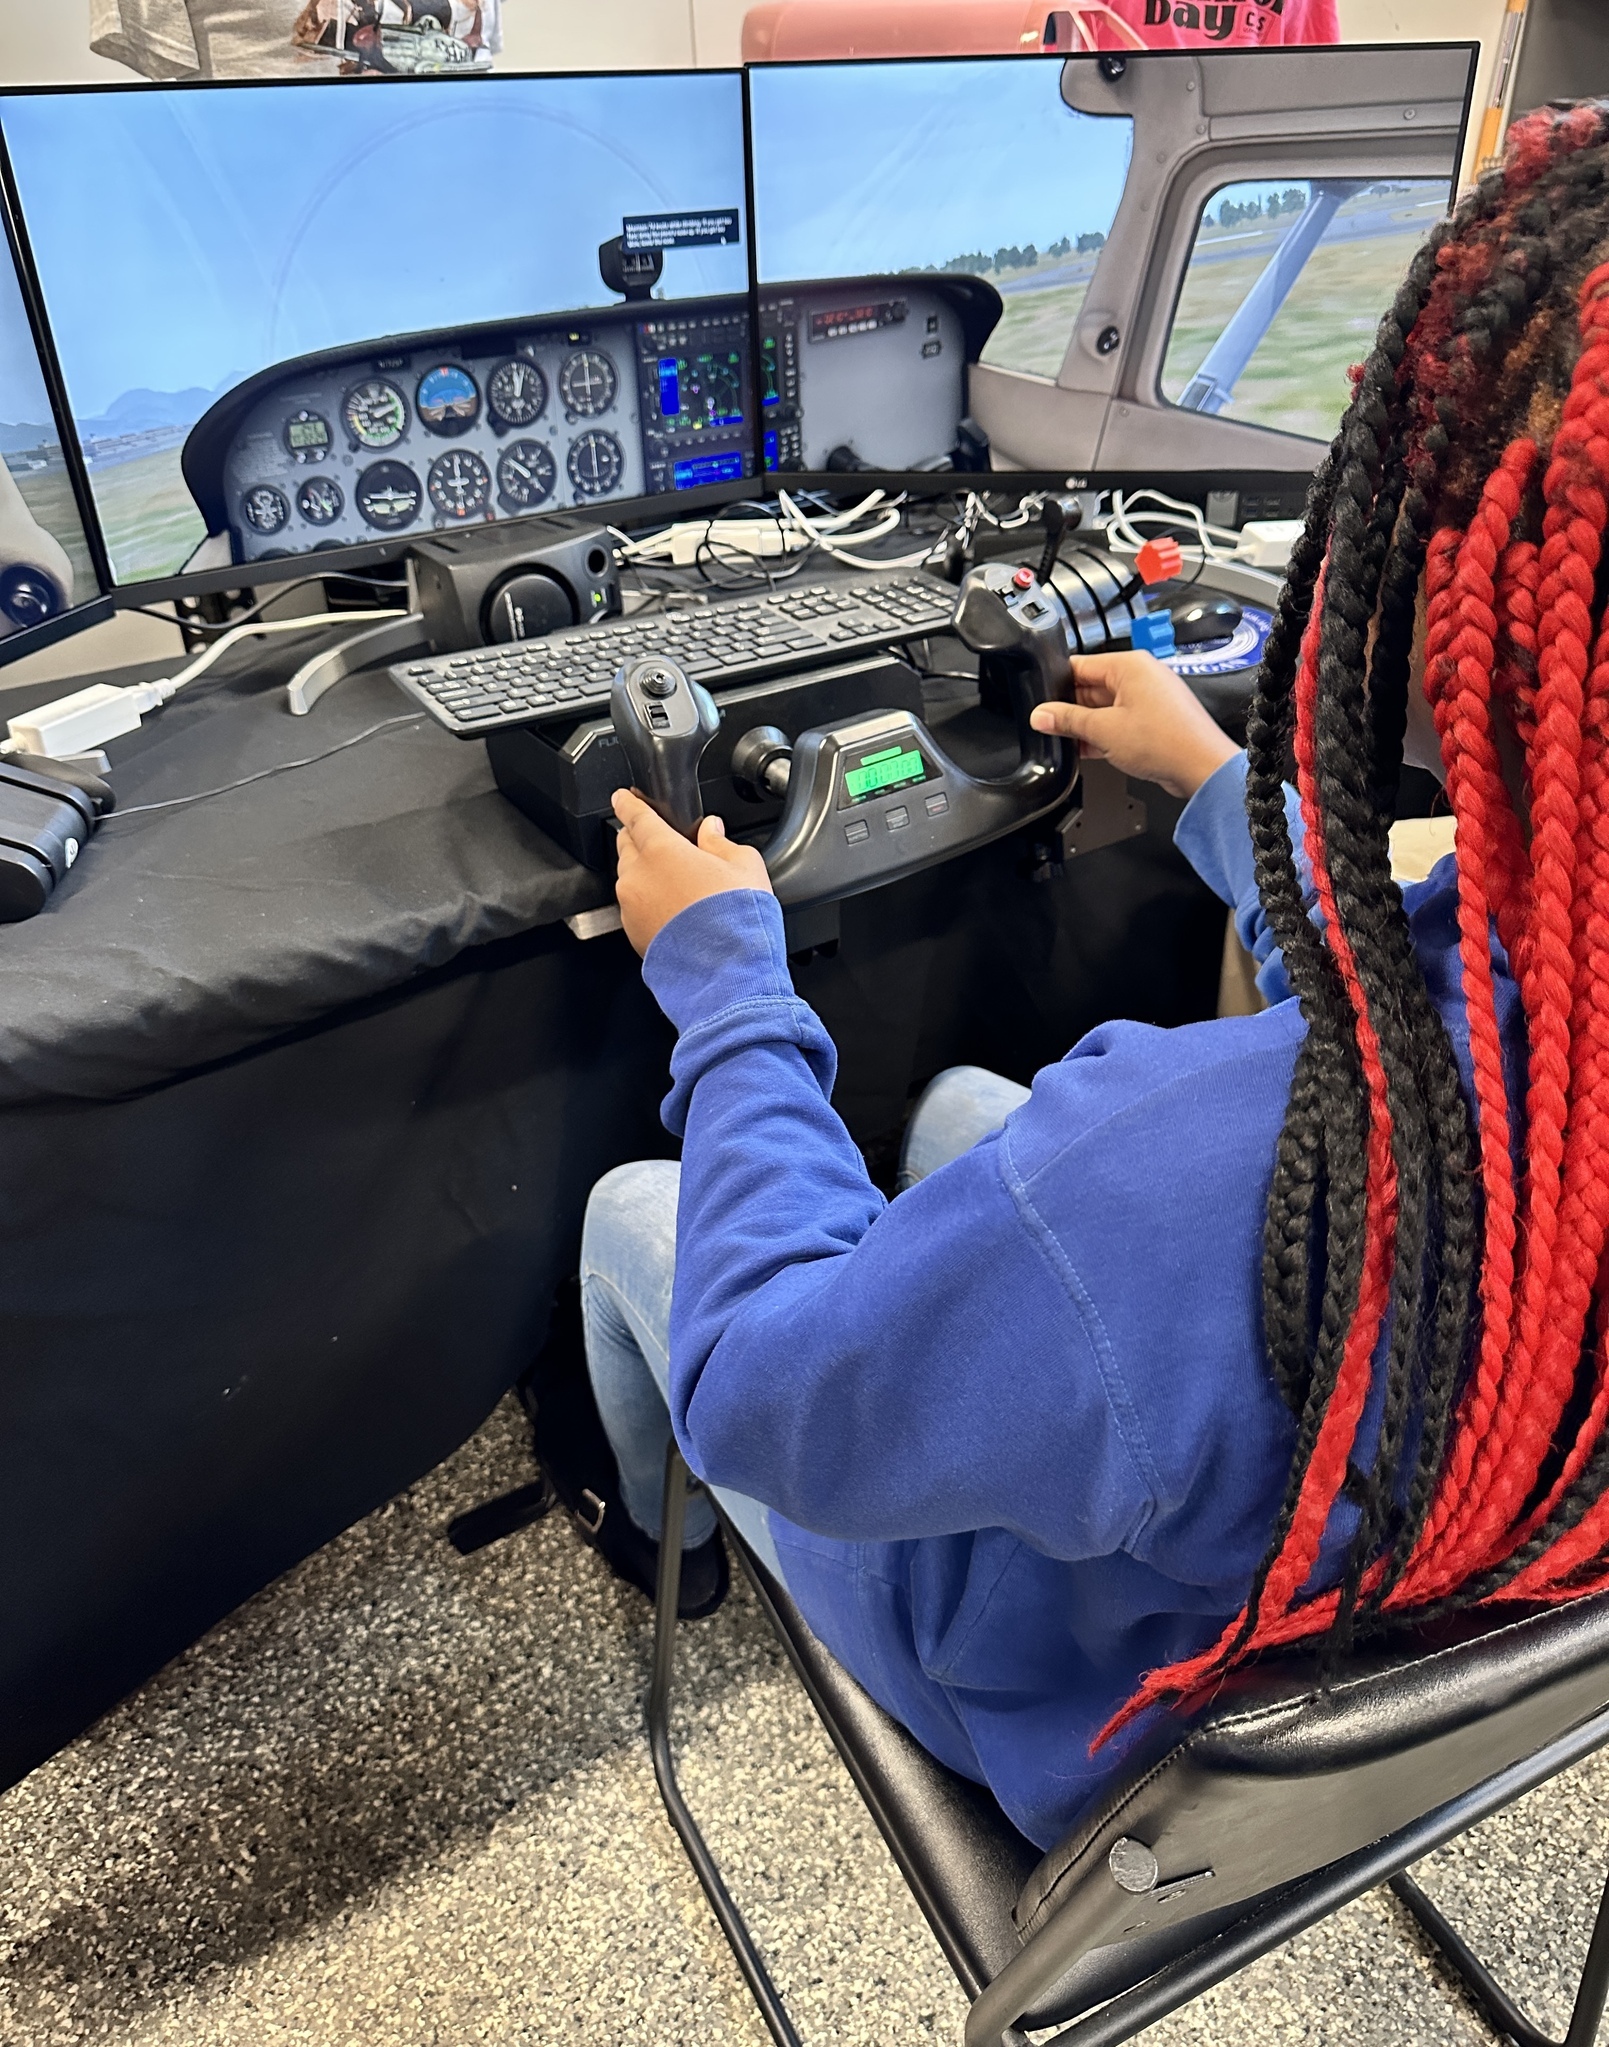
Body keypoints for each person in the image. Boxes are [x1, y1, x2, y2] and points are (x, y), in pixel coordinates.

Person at [538, 100, 1609, 1852]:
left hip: (1083, 1716)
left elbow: (766, 1375)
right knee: (966, 1112)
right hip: (1411, 1632)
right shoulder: (1529, 1071)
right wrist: (1211, 796)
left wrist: (728, 983)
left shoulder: (1147, 1190)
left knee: (648, 1219)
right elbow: (1430, 1034)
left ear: (1465, 614)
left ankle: (680, 1556)